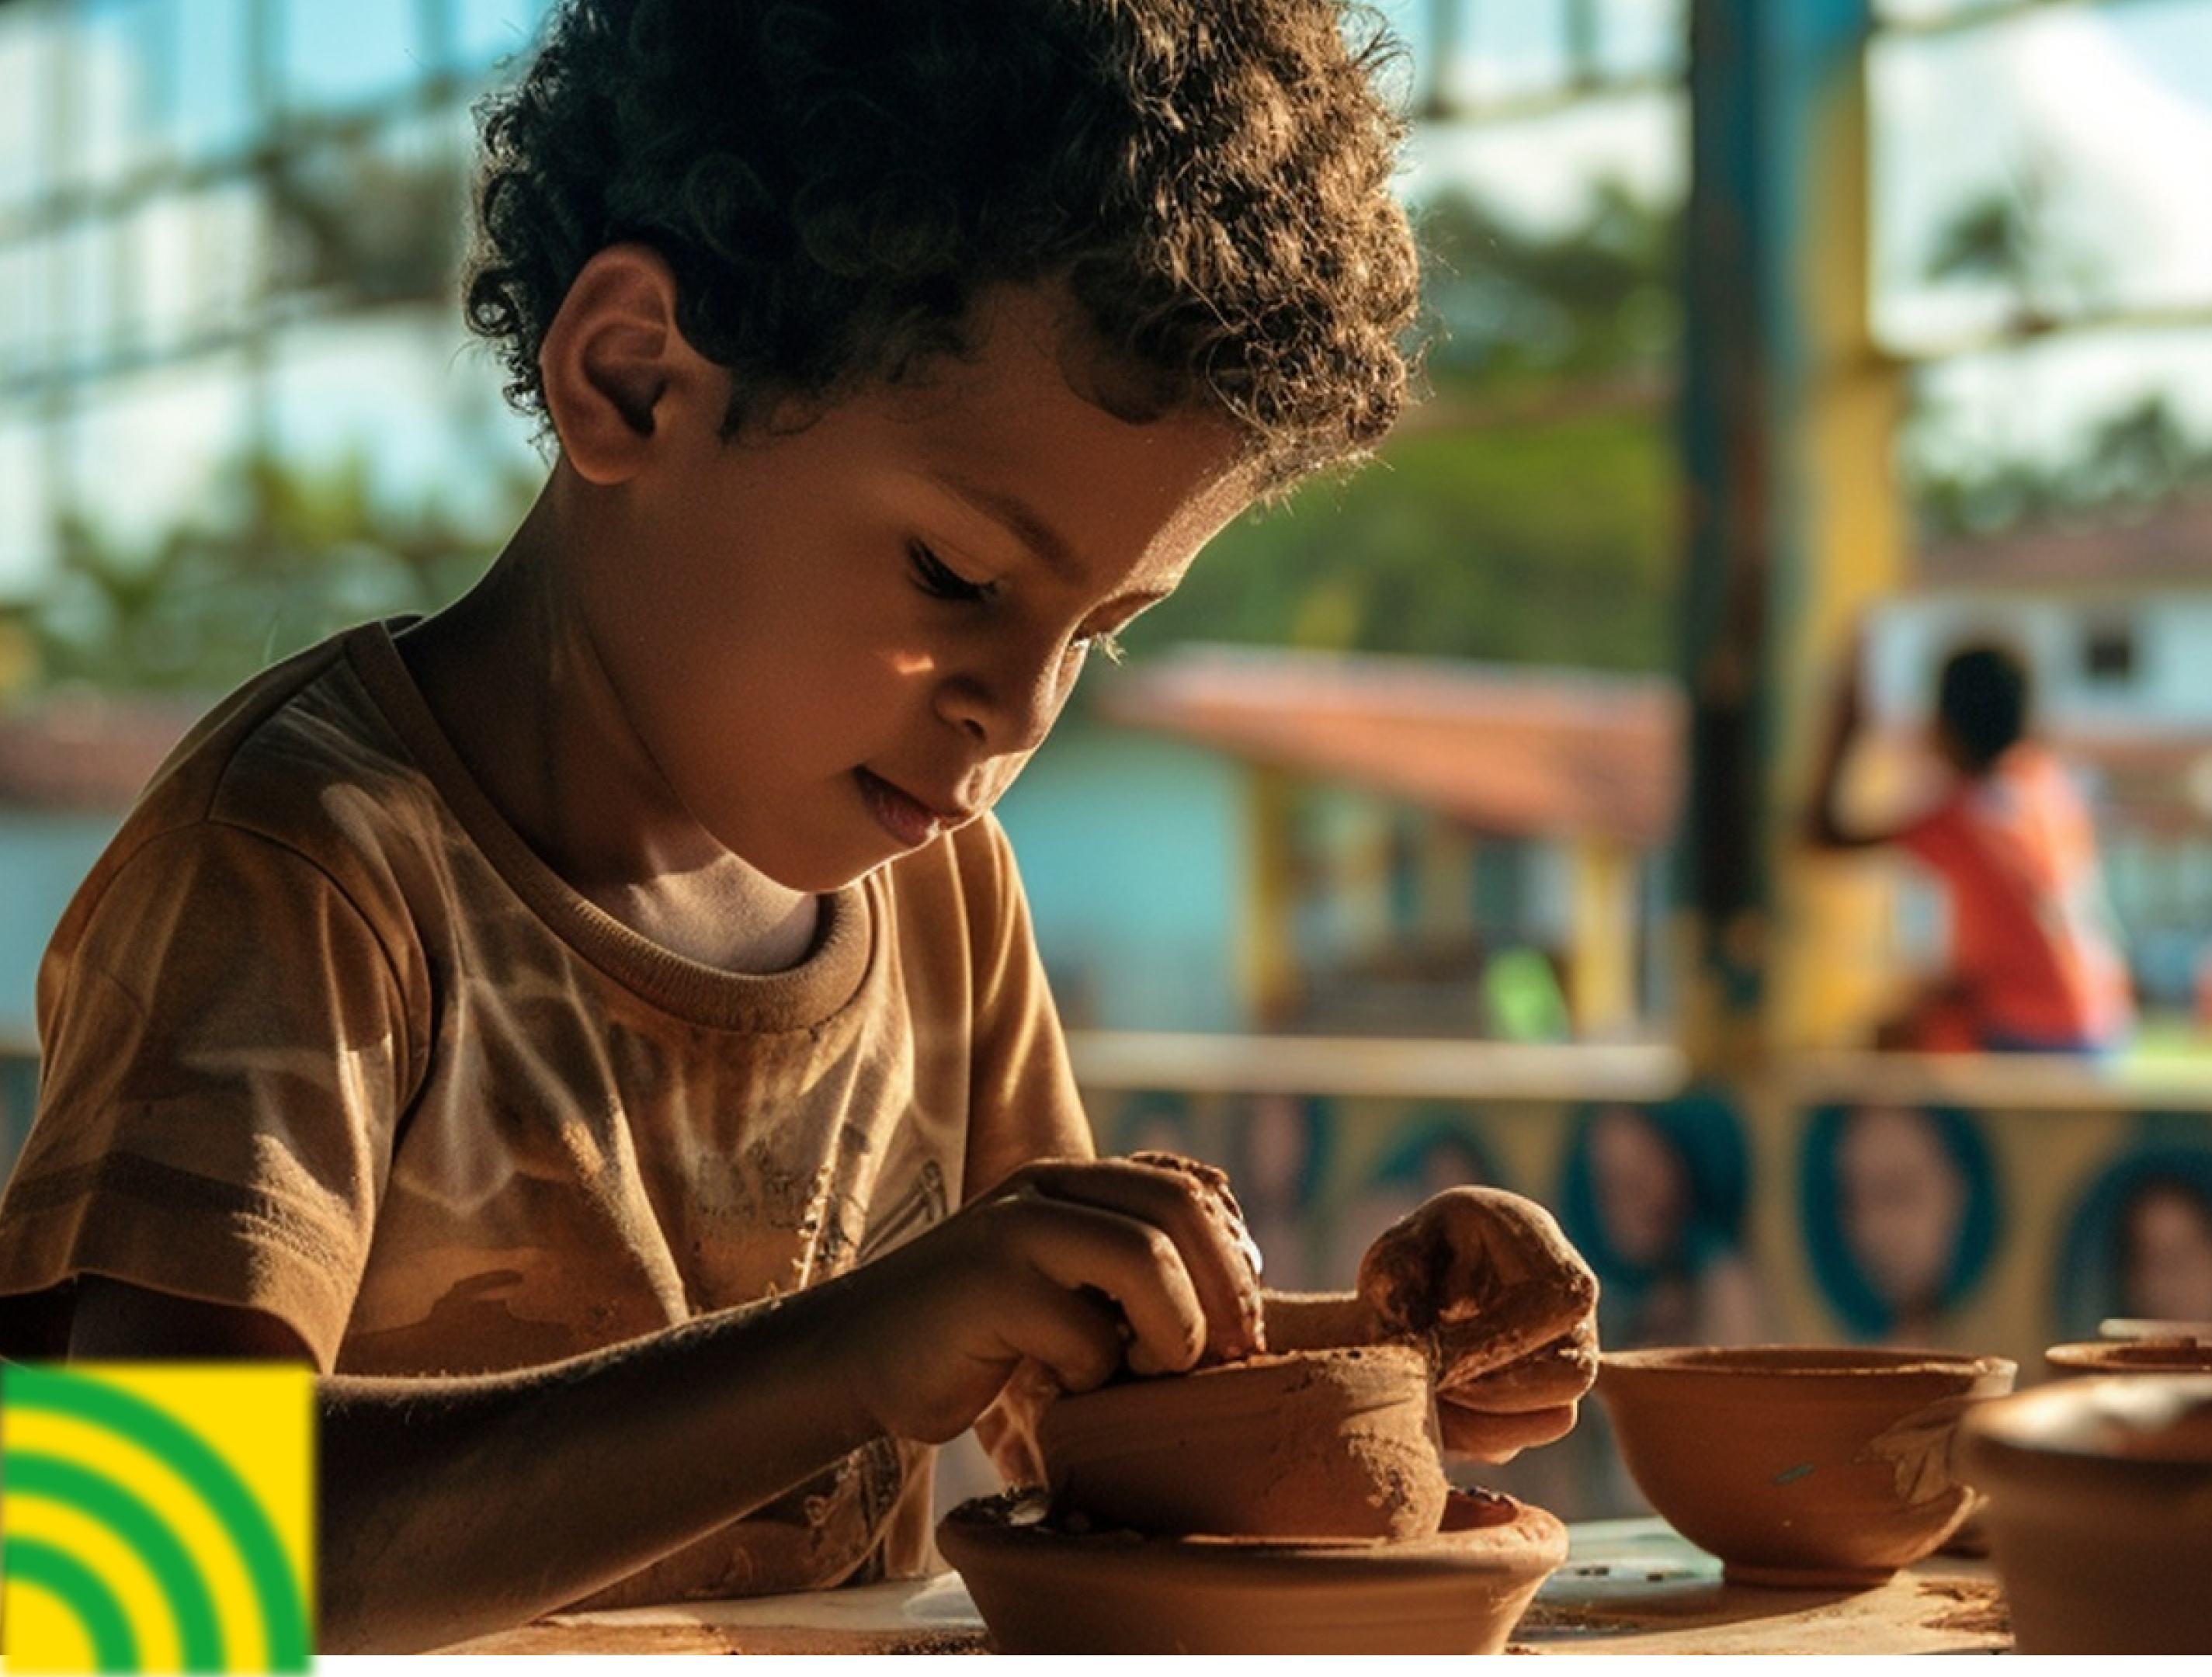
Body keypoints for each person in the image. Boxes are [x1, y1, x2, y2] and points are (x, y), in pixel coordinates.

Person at [0, 2, 1594, 1653]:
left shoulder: (945, 893)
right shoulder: (314, 865)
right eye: (958, 579)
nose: (1021, 709)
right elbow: (122, 1574)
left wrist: (1377, 1369)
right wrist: (849, 1352)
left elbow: (1064, 1385)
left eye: (1101, 626)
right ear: (632, 378)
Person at [1804, 637, 2133, 1054]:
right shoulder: (2044, 782)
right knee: (1923, 1011)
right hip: (2102, 1019)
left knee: (1884, 1044)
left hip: (2035, 1032)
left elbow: (1822, 838)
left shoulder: (1958, 819)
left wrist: (1843, 729)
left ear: (1945, 726)